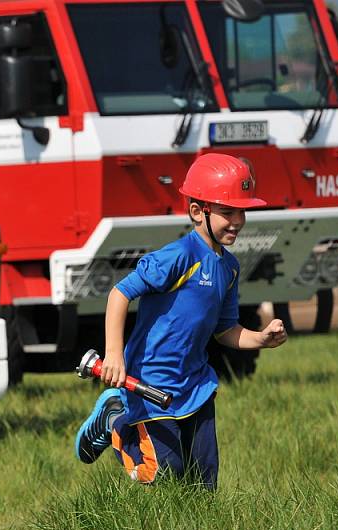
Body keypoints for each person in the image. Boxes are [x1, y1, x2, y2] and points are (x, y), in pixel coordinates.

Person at [74, 153, 287, 489]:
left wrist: (261, 338)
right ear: (196, 212)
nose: (238, 220)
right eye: (227, 211)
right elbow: (119, 294)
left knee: (203, 484)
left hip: (195, 386)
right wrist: (114, 354)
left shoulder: (228, 268)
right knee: (162, 473)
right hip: (149, 384)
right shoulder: (177, 257)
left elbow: (225, 330)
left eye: (242, 211)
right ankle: (114, 421)